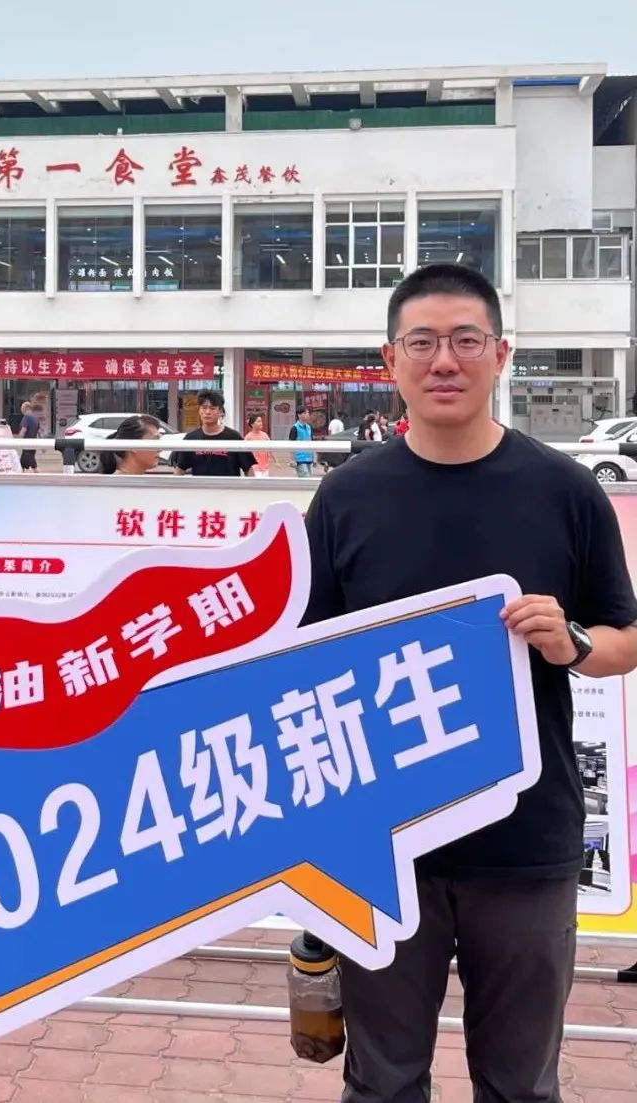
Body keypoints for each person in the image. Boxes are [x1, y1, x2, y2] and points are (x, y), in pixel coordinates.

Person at [302, 263, 637, 1103]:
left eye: (465, 340)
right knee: (382, 1083)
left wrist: (573, 640)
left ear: (501, 354)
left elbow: (625, 639)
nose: (444, 359)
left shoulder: (565, 490)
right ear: (391, 359)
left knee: (521, 1085)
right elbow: (301, 661)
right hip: (385, 845)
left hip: (526, 841)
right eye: (422, 342)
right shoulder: (345, 498)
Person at [169, 390, 254, 477]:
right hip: (201, 486)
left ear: (220, 411)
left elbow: (248, 469)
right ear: (199, 410)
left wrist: (251, 485)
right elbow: (179, 470)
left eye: (212, 408)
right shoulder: (191, 438)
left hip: (228, 485)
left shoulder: (234, 437)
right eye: (204, 408)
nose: (207, 412)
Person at [287, 405, 314, 477]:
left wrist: (314, 458)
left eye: (308, 413)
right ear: (299, 415)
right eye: (305, 413)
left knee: (309, 478)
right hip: (299, 458)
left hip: (309, 457)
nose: (307, 414)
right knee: (305, 478)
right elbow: (291, 444)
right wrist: (292, 459)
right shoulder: (295, 428)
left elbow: (312, 442)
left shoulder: (309, 427)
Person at [17, 400, 39, 472]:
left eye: (22, 409)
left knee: (32, 464)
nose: (21, 411)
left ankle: (39, 475)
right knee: (24, 463)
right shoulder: (35, 418)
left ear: (26, 408)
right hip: (33, 443)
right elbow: (38, 431)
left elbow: (24, 429)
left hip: (27, 443)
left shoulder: (26, 417)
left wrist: (18, 440)